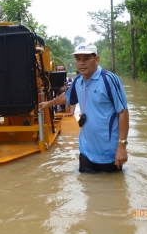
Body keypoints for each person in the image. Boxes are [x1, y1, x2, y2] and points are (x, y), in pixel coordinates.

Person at [39, 44, 129, 173]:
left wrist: (122, 146)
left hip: (108, 152)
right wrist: (48, 104)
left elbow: (123, 112)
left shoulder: (109, 80)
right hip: (86, 150)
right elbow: (67, 96)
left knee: (112, 188)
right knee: (86, 187)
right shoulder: (78, 81)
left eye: (86, 58)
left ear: (96, 59)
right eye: (78, 59)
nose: (81, 63)